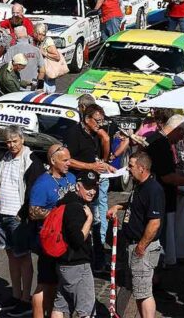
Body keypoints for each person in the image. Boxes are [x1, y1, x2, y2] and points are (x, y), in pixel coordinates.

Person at [107, 151, 164, 318]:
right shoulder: (140, 185)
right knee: (139, 291)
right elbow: (136, 206)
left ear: (142, 168)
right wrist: (118, 206)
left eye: (131, 166)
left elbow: (154, 222)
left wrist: (141, 246)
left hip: (142, 248)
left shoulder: (153, 190)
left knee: (144, 292)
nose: (128, 169)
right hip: (134, 244)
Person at [0, 126, 42, 317]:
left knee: (23, 257)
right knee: (11, 257)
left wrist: (23, 214)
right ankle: (15, 295)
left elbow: (33, 190)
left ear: (22, 140)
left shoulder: (30, 160)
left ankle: (25, 298)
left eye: (15, 141)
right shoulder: (5, 158)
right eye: (8, 142)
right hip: (2, 213)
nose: (12, 145)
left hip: (18, 216)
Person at [144, 114, 184, 266]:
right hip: (161, 196)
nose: (181, 139)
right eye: (182, 134)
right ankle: (162, 263)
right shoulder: (160, 144)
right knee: (162, 232)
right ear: (177, 130)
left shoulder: (157, 140)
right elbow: (167, 177)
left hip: (164, 194)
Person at [65, 104, 115, 268]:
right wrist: (90, 167)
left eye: (102, 121)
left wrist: (105, 166)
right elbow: (68, 160)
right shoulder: (74, 134)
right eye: (98, 121)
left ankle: (98, 261)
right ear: (87, 119)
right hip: (80, 185)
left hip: (94, 183)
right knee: (86, 221)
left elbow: (95, 159)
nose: (100, 125)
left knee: (97, 221)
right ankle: (86, 259)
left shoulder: (94, 135)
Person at [29, 144, 76, 318]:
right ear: (52, 161)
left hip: (66, 240)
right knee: (45, 283)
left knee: (59, 283)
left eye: (69, 159)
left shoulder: (70, 178)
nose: (69, 163)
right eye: (65, 160)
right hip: (49, 240)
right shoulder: (43, 183)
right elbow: (33, 211)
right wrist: (58, 214)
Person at [52, 171, 99, 318]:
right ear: (78, 186)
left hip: (63, 263)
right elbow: (78, 239)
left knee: (61, 305)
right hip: (77, 265)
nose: (91, 191)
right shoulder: (76, 208)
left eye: (94, 187)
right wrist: (89, 220)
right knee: (86, 310)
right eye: (87, 187)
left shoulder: (64, 201)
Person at [33, 22, 62, 93]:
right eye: (39, 34)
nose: (41, 37)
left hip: (47, 74)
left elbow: (57, 56)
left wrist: (44, 53)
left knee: (47, 93)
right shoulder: (37, 41)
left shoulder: (48, 41)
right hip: (41, 73)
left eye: (43, 35)